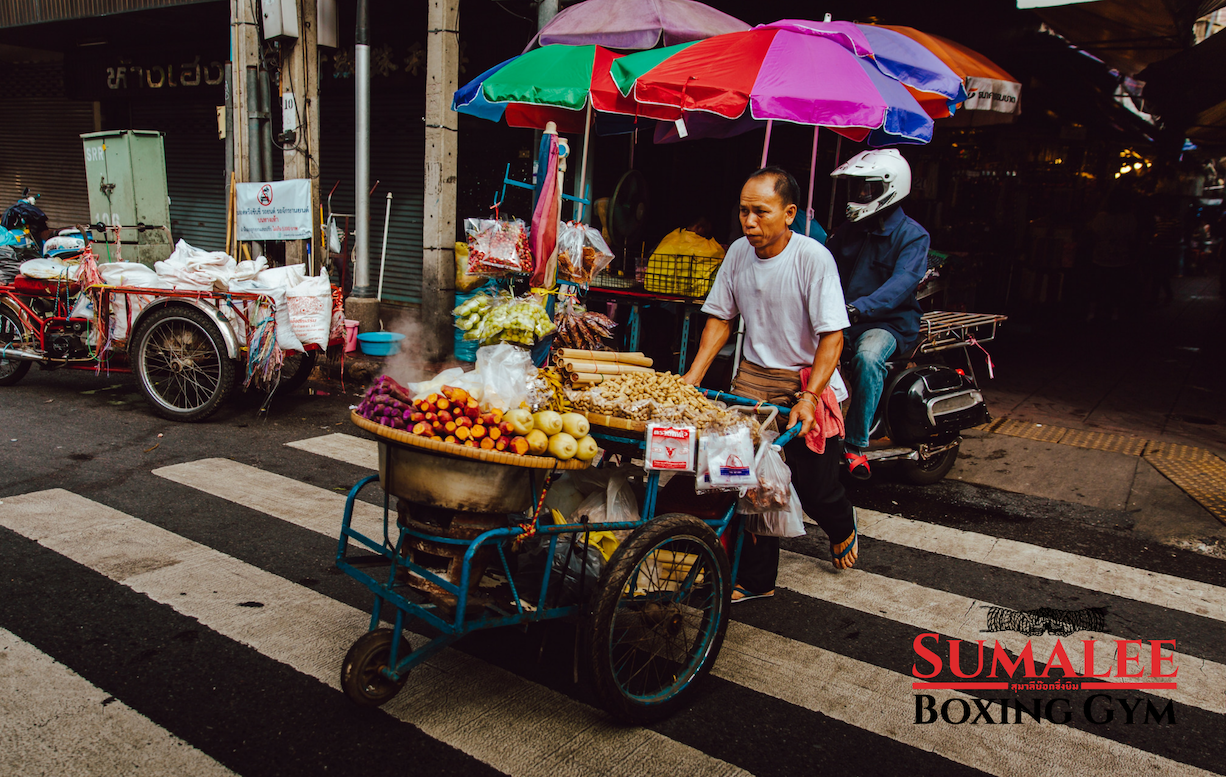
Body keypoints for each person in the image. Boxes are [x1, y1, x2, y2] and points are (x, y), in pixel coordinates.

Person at [683, 166, 858, 601]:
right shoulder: (738, 253)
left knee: (816, 489)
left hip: (806, 379)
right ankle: (756, 580)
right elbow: (721, 319)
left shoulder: (813, 258)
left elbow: (832, 336)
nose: (749, 221)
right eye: (744, 211)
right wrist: (692, 377)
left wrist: (811, 397)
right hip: (752, 380)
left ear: (790, 214)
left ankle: (841, 524)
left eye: (761, 212)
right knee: (745, 482)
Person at [826, 149, 930, 480]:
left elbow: (901, 285)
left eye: (866, 190)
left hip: (887, 324)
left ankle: (856, 446)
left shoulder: (913, 235)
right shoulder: (848, 230)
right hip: (845, 317)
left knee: (868, 359)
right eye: (856, 190)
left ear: (890, 188)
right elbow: (823, 265)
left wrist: (860, 309)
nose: (858, 196)